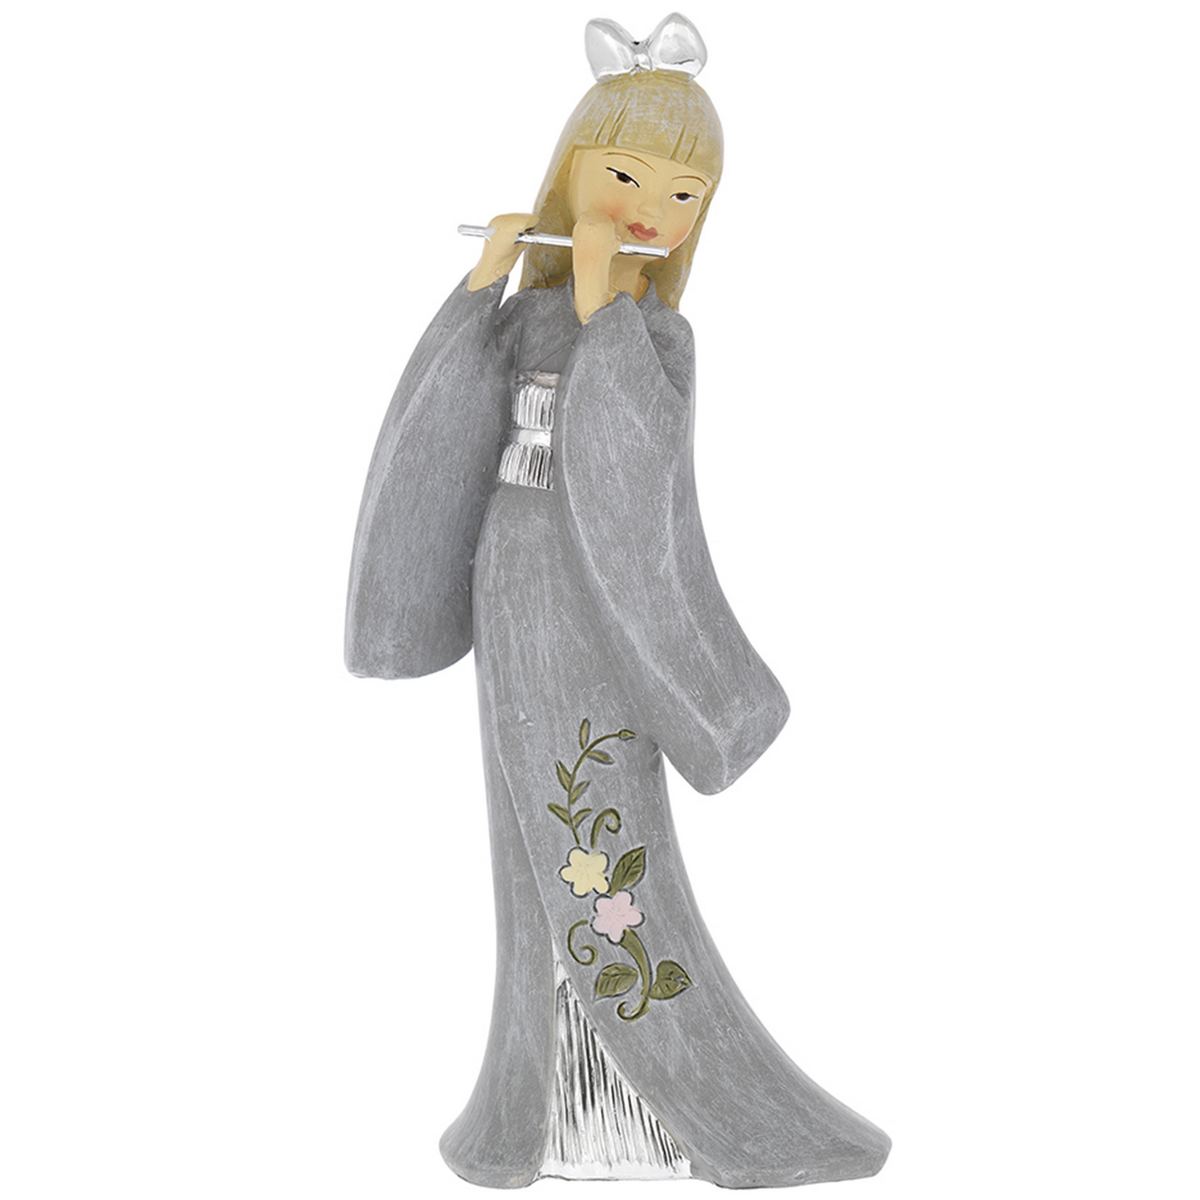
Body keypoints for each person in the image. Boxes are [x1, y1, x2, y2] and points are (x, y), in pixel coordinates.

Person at [345, 13, 890, 1189]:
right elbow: (436, 436)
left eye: (686, 193)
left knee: (594, 818)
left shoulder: (659, 338)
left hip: (603, 600)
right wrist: (482, 286)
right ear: (572, 173)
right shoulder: (521, 321)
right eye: (628, 176)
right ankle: (539, 1105)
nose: (653, 209)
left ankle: (695, 1104)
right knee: (525, 822)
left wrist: (602, 309)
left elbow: (635, 469)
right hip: (512, 575)